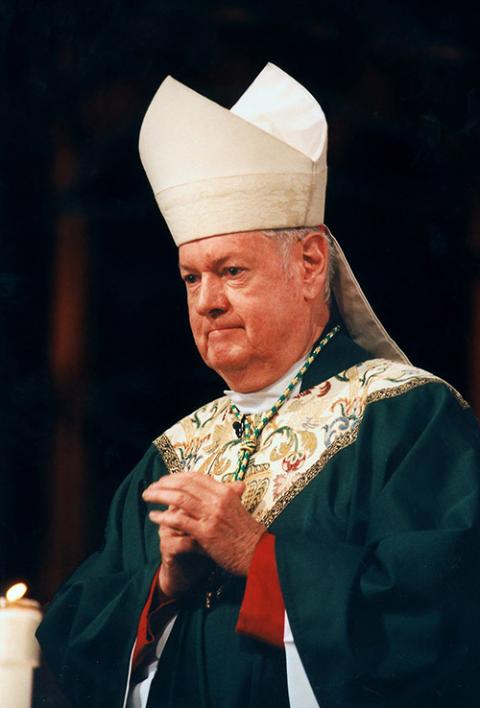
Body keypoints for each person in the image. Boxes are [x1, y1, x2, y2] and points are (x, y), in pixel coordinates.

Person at [37, 63, 480, 708]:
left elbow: (441, 621)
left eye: (231, 271)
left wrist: (259, 556)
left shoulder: (408, 420)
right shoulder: (171, 458)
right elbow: (73, 650)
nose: (208, 301)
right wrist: (162, 587)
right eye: (192, 278)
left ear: (308, 263)